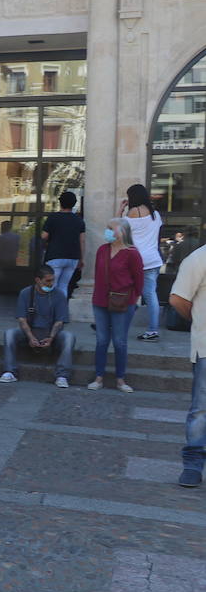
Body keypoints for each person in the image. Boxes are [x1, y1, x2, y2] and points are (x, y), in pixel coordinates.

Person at [89, 217, 143, 392]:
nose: (107, 231)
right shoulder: (102, 250)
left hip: (122, 302)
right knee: (101, 340)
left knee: (119, 342)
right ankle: (98, 377)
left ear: (122, 232)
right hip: (100, 301)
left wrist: (132, 301)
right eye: (107, 228)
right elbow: (97, 275)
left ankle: (120, 379)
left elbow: (139, 281)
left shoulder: (132, 253)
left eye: (111, 228)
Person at [0, 265, 75, 388]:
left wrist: (51, 337)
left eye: (53, 280)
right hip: (30, 331)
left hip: (51, 333)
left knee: (69, 337)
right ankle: (9, 371)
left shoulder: (59, 295)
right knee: (9, 334)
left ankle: (62, 375)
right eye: (48, 281)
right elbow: (22, 319)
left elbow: (60, 321)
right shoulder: (26, 293)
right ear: (38, 280)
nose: (51, 283)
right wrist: (30, 337)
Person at [169, 243, 206, 488]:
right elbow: (177, 299)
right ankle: (192, 465)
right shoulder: (199, 258)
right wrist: (198, 322)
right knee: (201, 410)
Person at [122, 184, 165, 341]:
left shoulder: (134, 213)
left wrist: (121, 209)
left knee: (126, 292)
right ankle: (153, 329)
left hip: (137, 261)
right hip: (154, 260)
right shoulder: (156, 215)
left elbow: (116, 229)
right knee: (150, 295)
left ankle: (115, 324)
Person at [41, 190, 84, 297]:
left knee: (51, 285)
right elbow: (82, 241)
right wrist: (81, 259)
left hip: (55, 256)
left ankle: (50, 312)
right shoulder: (79, 220)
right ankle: (61, 310)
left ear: (60, 202)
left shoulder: (53, 217)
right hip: (72, 257)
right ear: (74, 204)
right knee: (63, 286)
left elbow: (44, 236)